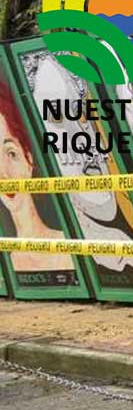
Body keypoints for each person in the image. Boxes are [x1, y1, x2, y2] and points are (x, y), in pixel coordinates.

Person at [0, 84, 75, 272]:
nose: (4, 173)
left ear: (29, 160)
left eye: (11, 153)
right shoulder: (8, 265)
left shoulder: (67, 247)